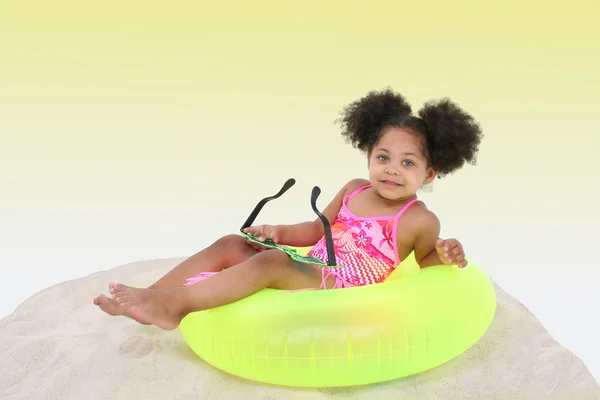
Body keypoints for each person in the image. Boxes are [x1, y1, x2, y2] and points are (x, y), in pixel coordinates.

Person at [93, 88, 483, 330]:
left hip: (342, 287)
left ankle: (173, 308)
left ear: (430, 172)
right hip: (315, 265)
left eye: (408, 163)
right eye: (383, 157)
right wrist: (278, 232)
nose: (392, 170)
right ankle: (153, 294)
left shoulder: (419, 219)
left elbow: (426, 267)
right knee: (233, 243)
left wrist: (447, 254)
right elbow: (317, 231)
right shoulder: (353, 189)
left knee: (273, 264)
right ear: (368, 155)